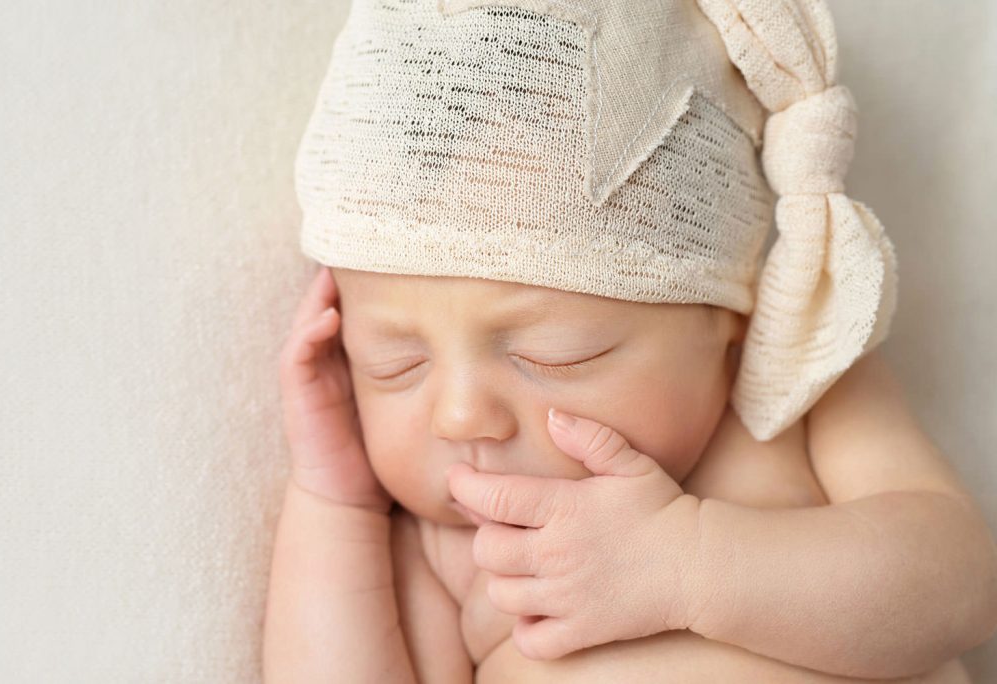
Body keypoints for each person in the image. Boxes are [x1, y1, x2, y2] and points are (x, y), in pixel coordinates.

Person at [263, 0, 997, 680]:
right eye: (395, 365)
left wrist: (690, 563)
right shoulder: (458, 547)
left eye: (552, 354)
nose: (459, 417)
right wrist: (335, 503)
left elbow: (963, 586)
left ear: (730, 321)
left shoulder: (794, 391)